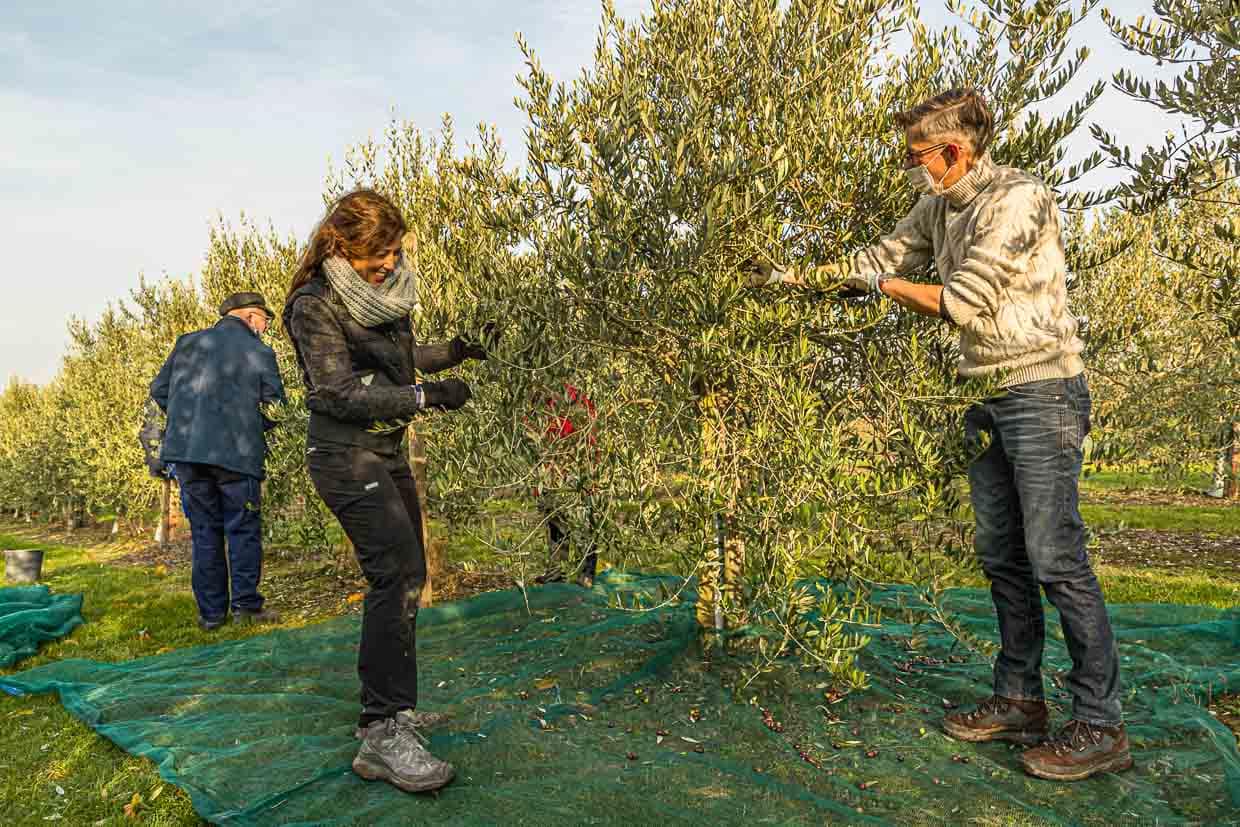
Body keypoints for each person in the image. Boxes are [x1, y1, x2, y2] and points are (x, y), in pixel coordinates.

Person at [747, 89, 1131, 782]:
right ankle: (1020, 699)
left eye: (916, 155)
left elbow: (961, 302)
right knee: (1001, 554)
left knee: (1056, 558)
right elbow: (884, 251)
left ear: (953, 152)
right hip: (985, 394)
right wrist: (793, 279)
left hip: (1043, 391)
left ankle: (1100, 723)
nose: (910, 166)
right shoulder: (940, 203)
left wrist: (884, 286)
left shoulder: (1017, 201)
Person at [283, 188, 488, 794]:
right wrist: (427, 398)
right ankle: (379, 733)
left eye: (397, 251)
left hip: (385, 449)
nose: (392, 263)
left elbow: (402, 358)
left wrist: (451, 354)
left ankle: (395, 710)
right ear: (342, 245)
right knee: (392, 577)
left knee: (412, 574)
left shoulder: (385, 298)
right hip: (345, 456)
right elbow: (335, 393)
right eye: (381, 253)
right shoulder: (314, 304)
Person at [150, 291, 286, 632]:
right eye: (265, 321)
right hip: (236, 453)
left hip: (186, 453)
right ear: (251, 317)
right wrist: (255, 425)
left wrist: (191, 417)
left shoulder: (187, 343)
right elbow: (275, 404)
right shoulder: (259, 351)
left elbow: (160, 390)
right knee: (242, 528)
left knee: (204, 531)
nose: (266, 328)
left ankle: (211, 615)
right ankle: (245, 607)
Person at [531, 382, 600, 588]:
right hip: (551, 472)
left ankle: (586, 575)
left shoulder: (577, 399)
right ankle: (555, 573)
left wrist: (589, 473)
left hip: (574, 471)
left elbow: (590, 435)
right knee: (555, 523)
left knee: (583, 525)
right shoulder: (538, 403)